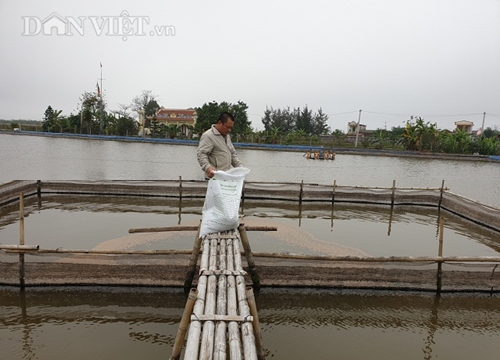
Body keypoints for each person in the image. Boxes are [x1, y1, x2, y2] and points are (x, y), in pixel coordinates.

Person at [197, 112, 243, 179]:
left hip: (226, 177)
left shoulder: (227, 136)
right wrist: (208, 168)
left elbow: (233, 154)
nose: (229, 130)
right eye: (227, 127)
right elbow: (201, 154)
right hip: (213, 178)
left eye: (231, 128)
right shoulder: (208, 136)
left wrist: (241, 169)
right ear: (220, 123)